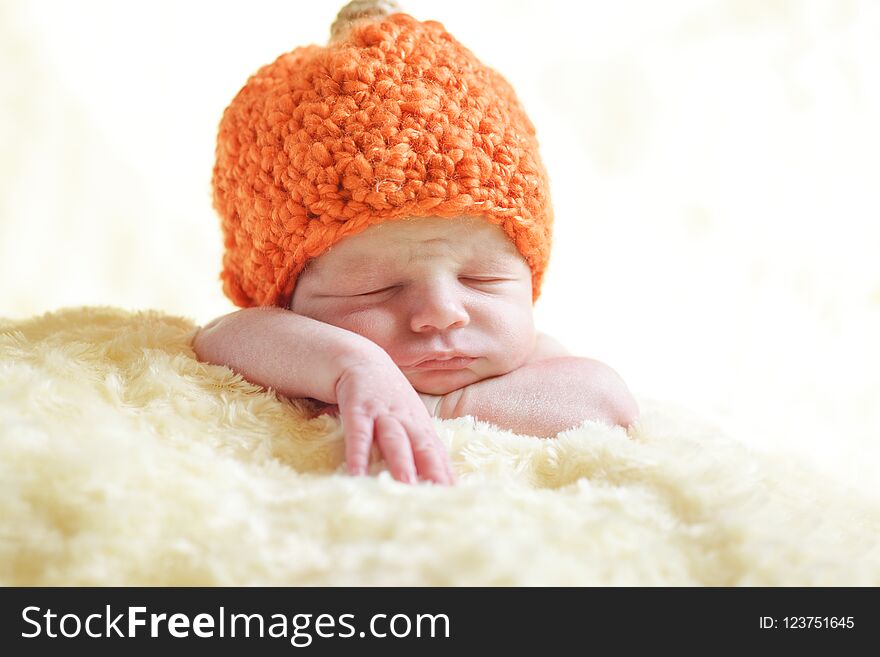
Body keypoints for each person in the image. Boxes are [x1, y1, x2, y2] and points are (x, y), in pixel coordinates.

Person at [193, 0, 638, 486]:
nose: (443, 311)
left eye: (481, 278)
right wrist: (353, 367)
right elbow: (220, 337)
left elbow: (607, 401)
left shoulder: (528, 361)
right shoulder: (290, 346)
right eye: (374, 287)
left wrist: (435, 406)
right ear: (285, 299)